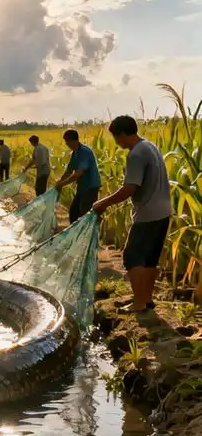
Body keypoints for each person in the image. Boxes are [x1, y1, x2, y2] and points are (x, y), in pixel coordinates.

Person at [93, 115, 172, 313]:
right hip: (164, 211)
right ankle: (146, 299)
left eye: (115, 137)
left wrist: (102, 203)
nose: (116, 142)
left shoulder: (136, 154)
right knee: (150, 259)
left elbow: (129, 188)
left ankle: (138, 303)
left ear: (121, 134)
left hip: (148, 214)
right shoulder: (150, 146)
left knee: (132, 256)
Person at [54, 129, 101, 223]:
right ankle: (75, 231)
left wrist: (63, 184)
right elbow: (69, 170)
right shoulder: (75, 152)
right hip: (82, 187)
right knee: (73, 212)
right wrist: (60, 181)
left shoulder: (84, 152)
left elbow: (78, 173)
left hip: (90, 187)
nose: (66, 144)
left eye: (67, 142)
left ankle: (86, 231)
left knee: (85, 214)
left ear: (73, 140)